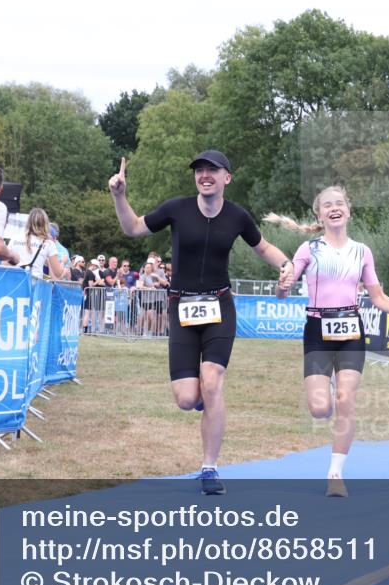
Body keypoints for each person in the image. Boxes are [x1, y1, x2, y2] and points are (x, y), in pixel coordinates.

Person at [109, 150, 295, 495]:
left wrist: (286, 266)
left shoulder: (237, 216)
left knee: (212, 383)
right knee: (186, 398)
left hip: (219, 307)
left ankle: (209, 468)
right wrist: (119, 195)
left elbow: (263, 247)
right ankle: (205, 403)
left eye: (213, 170)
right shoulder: (176, 209)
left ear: (227, 177)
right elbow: (133, 228)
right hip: (182, 308)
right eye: (199, 170)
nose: (204, 175)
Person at [266, 186, 389, 497]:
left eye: (339, 204)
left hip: (351, 329)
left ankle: (335, 472)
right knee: (319, 408)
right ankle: (325, 389)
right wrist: (282, 286)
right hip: (317, 330)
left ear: (348, 211)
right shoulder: (308, 249)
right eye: (328, 205)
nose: (334, 208)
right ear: (320, 214)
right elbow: (285, 289)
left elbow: (377, 296)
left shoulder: (362, 251)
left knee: (346, 399)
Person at [8, 208, 65, 279]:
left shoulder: (15, 238)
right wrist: (62, 261)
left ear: (28, 222)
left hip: (14, 282)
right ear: (45, 223)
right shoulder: (48, 243)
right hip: (34, 285)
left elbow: (5, 264)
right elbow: (58, 273)